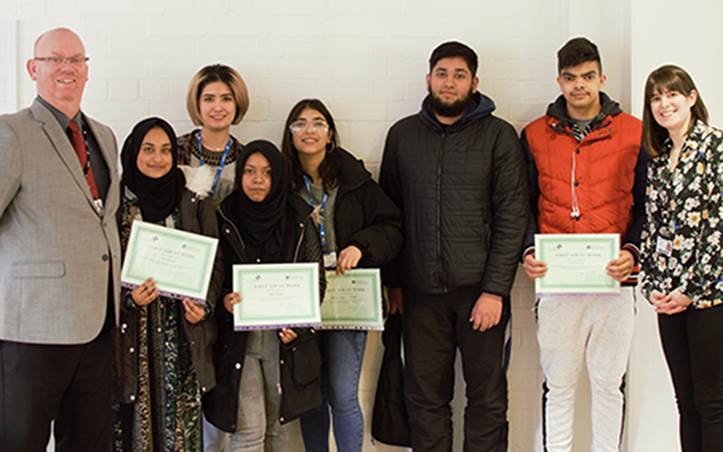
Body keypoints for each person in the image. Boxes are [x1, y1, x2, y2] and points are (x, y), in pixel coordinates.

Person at [379, 41, 528, 451]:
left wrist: (495, 290)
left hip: (481, 296)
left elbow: (513, 216)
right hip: (420, 296)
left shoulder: (499, 136)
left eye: (459, 75)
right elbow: (390, 218)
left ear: (474, 82)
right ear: (427, 79)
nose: (449, 82)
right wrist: (395, 285)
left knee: (487, 401)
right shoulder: (403, 135)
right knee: (425, 402)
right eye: (442, 73)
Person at [520, 37, 646, 452]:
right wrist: (529, 251)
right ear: (558, 80)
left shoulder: (634, 131)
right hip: (557, 283)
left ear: (602, 78)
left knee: (609, 386)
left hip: (614, 283)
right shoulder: (535, 134)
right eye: (570, 78)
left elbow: (648, 202)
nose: (579, 86)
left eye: (588, 77)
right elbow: (522, 203)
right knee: (559, 386)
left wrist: (633, 252)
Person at [0, 28, 121, 451]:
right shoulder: (10, 133)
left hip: (99, 323)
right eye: (54, 59)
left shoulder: (104, 136)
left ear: (87, 70)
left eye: (76, 60)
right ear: (33, 69)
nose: (66, 68)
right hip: (32, 328)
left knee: (89, 443)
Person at [281, 98, 403, 452]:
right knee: (311, 395)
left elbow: (392, 227)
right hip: (302, 298)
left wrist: (360, 246)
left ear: (330, 134)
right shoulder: (281, 183)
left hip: (348, 297)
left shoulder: (355, 180)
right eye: (300, 124)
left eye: (318, 123)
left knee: (343, 394)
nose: (309, 130)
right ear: (289, 134)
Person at [203, 140, 325, 451]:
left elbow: (316, 279)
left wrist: (298, 324)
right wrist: (224, 301)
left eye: (267, 173)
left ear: (279, 177)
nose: (258, 180)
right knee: (249, 433)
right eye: (250, 172)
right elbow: (210, 276)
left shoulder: (298, 218)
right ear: (240, 174)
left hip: (282, 341)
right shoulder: (223, 216)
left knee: (276, 431)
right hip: (238, 343)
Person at [113, 117, 224, 451]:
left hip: (183, 334)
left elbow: (215, 261)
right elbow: (100, 264)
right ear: (133, 152)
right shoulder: (116, 201)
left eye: (165, 150)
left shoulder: (193, 199)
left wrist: (204, 306)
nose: (158, 159)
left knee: (182, 432)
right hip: (132, 334)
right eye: (148, 149)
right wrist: (127, 298)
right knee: (132, 428)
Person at [640, 64, 722, 452]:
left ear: (691, 98)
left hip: (709, 297)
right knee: (685, 402)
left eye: (672, 94)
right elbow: (653, 230)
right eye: (656, 97)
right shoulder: (657, 160)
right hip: (668, 300)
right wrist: (652, 286)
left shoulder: (716, 149)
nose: (664, 103)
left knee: (712, 402)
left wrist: (690, 289)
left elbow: (718, 232)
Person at [178, 64, 249, 206]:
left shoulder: (246, 157)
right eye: (209, 99)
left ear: (237, 103)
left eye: (226, 99)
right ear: (197, 103)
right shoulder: (175, 150)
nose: (217, 107)